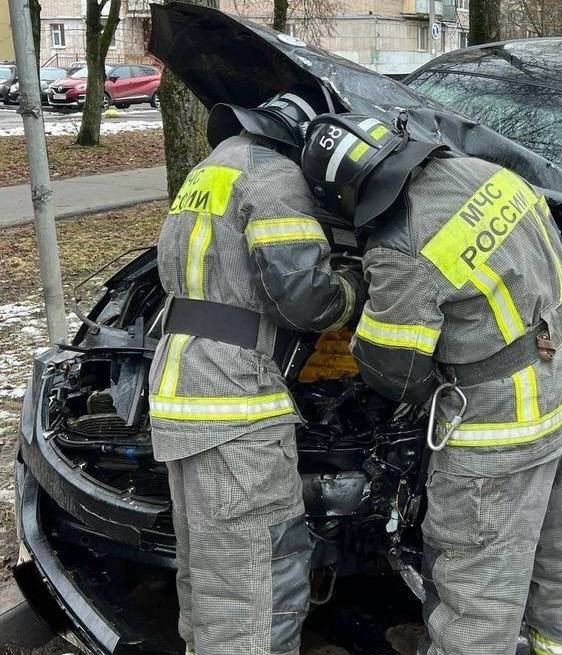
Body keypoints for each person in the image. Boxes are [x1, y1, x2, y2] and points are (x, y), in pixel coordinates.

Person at [301, 114, 562, 655]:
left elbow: (397, 371)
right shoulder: (490, 174)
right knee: (561, 552)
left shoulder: (403, 244)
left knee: (474, 589)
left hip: (499, 433)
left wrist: (365, 304)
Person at [148, 88, 362, 655]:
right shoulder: (275, 178)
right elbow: (304, 299)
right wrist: (351, 289)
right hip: (234, 401)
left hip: (182, 391)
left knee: (210, 581)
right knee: (260, 580)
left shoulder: (209, 170)